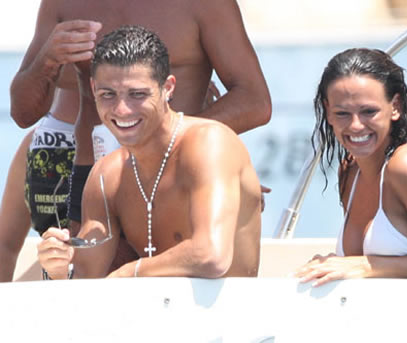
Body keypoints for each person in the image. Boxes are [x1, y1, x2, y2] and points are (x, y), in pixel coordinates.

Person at [1, 0, 271, 281]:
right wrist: (48, 60)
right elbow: (23, 113)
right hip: (96, 176)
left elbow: (255, 100)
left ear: (168, 87)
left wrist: (206, 155)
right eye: (108, 95)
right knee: (84, 286)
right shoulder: (63, 4)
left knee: (191, 274)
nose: (122, 108)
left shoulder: (204, 4)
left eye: (138, 94)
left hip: (184, 175)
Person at [294, 48, 407, 287]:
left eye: (369, 111)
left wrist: (365, 264)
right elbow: (365, 268)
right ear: (328, 113)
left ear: (395, 106)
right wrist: (335, 264)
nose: (355, 125)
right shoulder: (349, 172)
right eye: (342, 113)